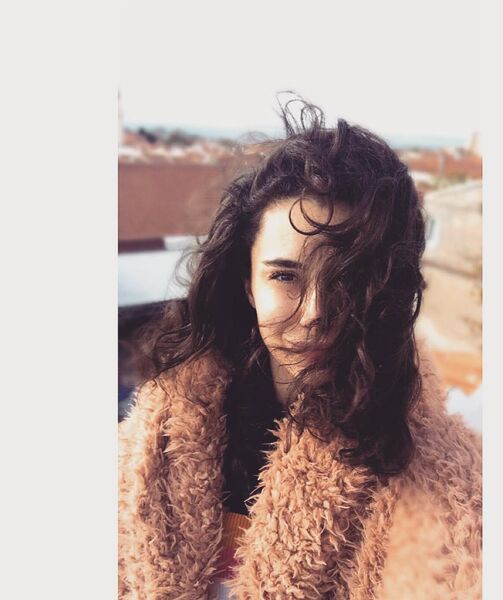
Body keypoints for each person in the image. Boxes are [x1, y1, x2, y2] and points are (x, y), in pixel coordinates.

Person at [118, 100, 482, 599]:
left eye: (346, 280)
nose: (315, 313)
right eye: (285, 276)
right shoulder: (154, 437)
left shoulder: (448, 486)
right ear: (248, 284)